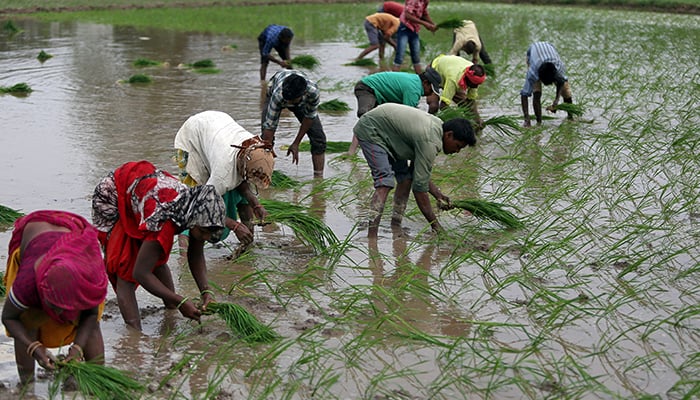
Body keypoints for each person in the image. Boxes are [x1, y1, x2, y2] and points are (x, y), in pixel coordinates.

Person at [91, 160, 226, 331]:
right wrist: (180, 301)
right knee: (125, 269)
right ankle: (134, 335)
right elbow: (140, 273)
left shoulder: (196, 211)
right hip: (114, 198)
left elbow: (195, 254)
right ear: (195, 220)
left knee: (155, 257)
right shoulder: (164, 220)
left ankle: (170, 310)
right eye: (204, 232)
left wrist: (206, 291)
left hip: (142, 193)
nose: (205, 237)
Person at [2, 210, 108, 385]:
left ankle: (97, 379)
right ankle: (27, 387)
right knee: (27, 320)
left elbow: (90, 315)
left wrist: (77, 349)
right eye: (53, 306)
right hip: (36, 236)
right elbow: (8, 317)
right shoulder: (28, 283)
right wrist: (34, 347)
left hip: (73, 234)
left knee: (92, 325)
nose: (58, 314)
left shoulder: (88, 281)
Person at [353, 103, 476, 237]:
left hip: (392, 134)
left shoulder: (437, 129)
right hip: (372, 130)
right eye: (457, 146)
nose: (456, 151)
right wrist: (436, 226)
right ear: (449, 135)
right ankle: (372, 236)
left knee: (406, 179)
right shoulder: (430, 141)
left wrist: (438, 195)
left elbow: (419, 174)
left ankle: (395, 225)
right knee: (385, 182)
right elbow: (419, 189)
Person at [174, 110, 274, 252]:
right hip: (193, 138)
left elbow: (244, 184)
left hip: (216, 128)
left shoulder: (255, 149)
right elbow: (203, 205)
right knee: (192, 203)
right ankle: (184, 256)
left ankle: (247, 248)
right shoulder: (223, 174)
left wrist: (256, 205)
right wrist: (235, 225)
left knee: (241, 197)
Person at [347, 69, 442, 154]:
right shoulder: (414, 89)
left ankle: (373, 149)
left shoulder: (414, 81)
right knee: (365, 118)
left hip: (378, 94)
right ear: (425, 83)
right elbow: (406, 118)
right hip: (367, 88)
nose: (430, 93)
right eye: (431, 89)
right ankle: (352, 152)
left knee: (375, 122)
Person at [261, 69, 327, 178]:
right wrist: (268, 149)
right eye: (288, 100)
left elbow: (309, 118)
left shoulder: (312, 92)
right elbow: (270, 127)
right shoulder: (278, 95)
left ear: (304, 93)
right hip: (274, 92)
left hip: (301, 102)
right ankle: (265, 175)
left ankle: (318, 178)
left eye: (291, 101)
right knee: (265, 140)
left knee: (318, 138)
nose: (288, 104)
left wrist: (296, 143)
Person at [520, 41, 573, 127]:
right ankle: (539, 122)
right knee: (536, 92)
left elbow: (561, 82)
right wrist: (527, 119)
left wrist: (556, 101)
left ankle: (570, 116)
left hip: (549, 47)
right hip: (533, 52)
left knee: (566, 91)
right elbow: (524, 95)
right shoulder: (533, 72)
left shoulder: (559, 68)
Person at [429, 54, 487, 128]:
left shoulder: (474, 72)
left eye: (477, 85)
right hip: (435, 70)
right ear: (467, 80)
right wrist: (457, 119)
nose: (475, 87)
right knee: (434, 106)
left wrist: (477, 120)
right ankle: (430, 125)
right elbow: (443, 106)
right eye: (473, 85)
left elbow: (470, 102)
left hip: (450, 68)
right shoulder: (453, 80)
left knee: (465, 105)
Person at [392, 0, 436, 74]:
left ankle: (420, 79)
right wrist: (425, 24)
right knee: (400, 55)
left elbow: (424, 14)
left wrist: (432, 24)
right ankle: (392, 78)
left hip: (414, 29)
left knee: (416, 56)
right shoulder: (414, 1)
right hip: (405, 28)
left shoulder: (424, 1)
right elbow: (408, 15)